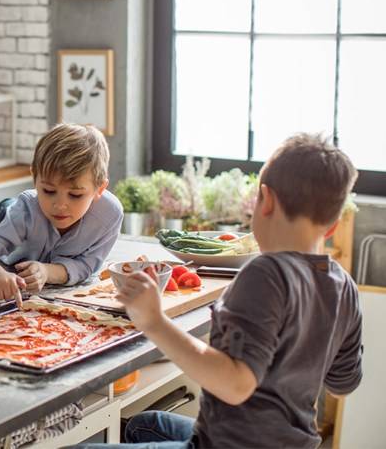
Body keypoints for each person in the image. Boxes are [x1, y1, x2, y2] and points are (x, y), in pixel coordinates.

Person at [109, 133, 362, 449]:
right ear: (333, 225)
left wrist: (154, 322)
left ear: (265, 201)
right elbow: (343, 384)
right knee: (145, 425)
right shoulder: (344, 285)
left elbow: (235, 385)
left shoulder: (265, 274)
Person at [0, 123, 124, 302]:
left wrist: (46, 271)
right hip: (21, 211)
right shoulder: (27, 208)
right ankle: (6, 207)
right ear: (35, 179)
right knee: (8, 209)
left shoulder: (110, 216)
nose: (60, 205)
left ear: (99, 189)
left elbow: (86, 265)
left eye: (75, 195)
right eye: (48, 191)